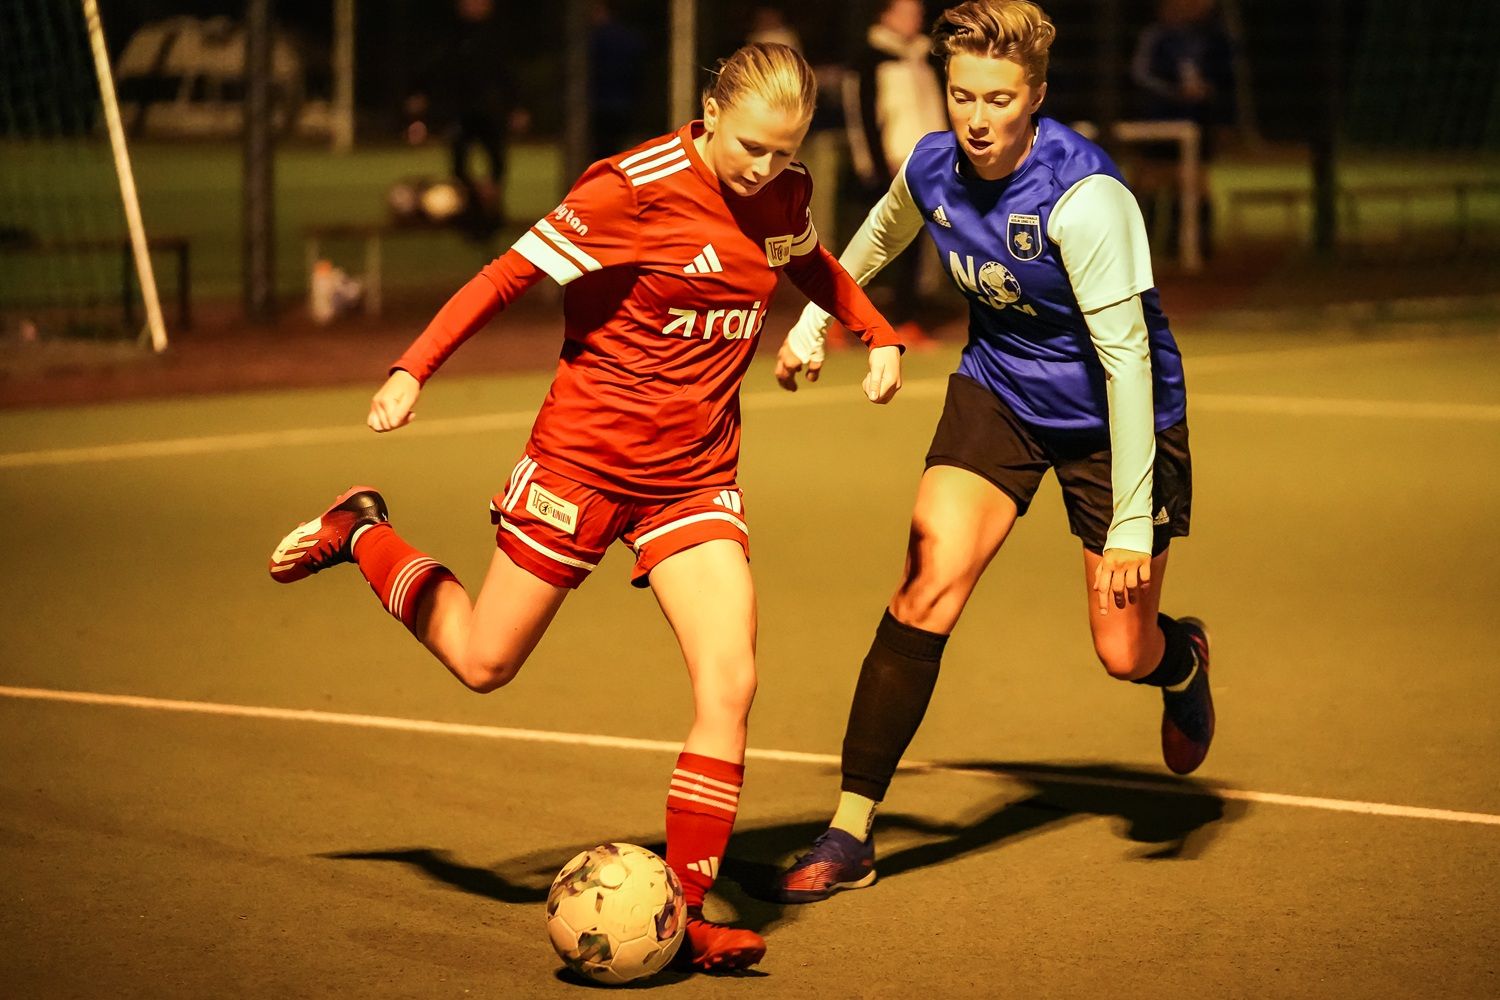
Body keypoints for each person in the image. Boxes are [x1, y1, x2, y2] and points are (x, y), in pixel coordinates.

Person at [268, 43, 903, 970]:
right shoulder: (630, 187)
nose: (767, 169)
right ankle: (359, 529)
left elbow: (807, 262)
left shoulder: (786, 191)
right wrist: (412, 369)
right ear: (710, 112)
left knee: (730, 684)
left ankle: (681, 915)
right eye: (752, 148)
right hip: (582, 465)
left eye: (785, 151)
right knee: (485, 661)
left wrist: (873, 331)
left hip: (692, 476)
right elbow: (504, 276)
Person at [770, 0, 1213, 903]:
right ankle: (851, 831)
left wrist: (1131, 523)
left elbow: (1126, 364)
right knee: (923, 583)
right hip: (1001, 393)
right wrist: (821, 320)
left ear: (1036, 97)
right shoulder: (933, 162)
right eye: (963, 94)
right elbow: (882, 234)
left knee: (1121, 650)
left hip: (1113, 417)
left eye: (1000, 99)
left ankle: (1184, 661)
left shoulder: (1085, 198)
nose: (976, 118)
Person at [841, 0, 948, 346]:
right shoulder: (869, 58)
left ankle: (905, 319)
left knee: (913, 247)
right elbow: (862, 120)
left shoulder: (923, 56)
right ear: (885, 14)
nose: (916, 18)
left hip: (925, 166)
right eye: (906, 11)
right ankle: (832, 318)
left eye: (917, 11)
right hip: (887, 168)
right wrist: (872, 166)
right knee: (866, 246)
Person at [1129, 0, 1236, 255]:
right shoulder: (1155, 36)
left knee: (1193, 182)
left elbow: (1226, 76)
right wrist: (1174, 92)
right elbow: (1140, 74)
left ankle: (1190, 246)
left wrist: (1209, 93)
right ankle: (1142, 245)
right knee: (1151, 180)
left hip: (1196, 120)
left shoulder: (1213, 38)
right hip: (1159, 119)